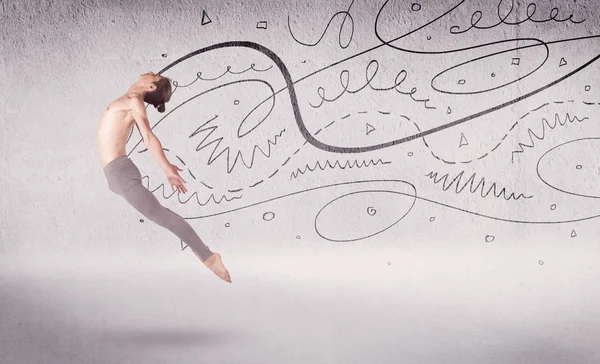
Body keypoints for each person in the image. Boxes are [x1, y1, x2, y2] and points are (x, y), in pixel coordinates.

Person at [97, 71, 231, 283]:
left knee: (162, 216)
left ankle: (209, 257)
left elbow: (148, 137)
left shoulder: (134, 102)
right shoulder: (130, 99)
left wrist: (168, 169)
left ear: (151, 87)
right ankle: (206, 255)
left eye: (155, 75)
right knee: (161, 215)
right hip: (114, 174)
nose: (150, 72)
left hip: (121, 173)